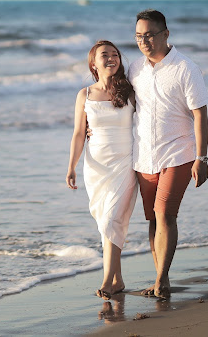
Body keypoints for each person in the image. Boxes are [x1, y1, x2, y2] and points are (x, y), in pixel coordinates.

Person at [129, 9, 208, 299]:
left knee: (165, 214)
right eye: (139, 36)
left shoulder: (186, 68)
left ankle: (162, 279)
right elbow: (124, 107)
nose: (144, 41)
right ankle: (158, 275)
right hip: (144, 156)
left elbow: (200, 115)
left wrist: (202, 158)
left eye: (149, 34)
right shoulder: (135, 69)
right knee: (153, 218)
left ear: (165, 33)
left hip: (179, 152)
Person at [66, 40, 138, 300]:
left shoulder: (130, 91)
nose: (111, 58)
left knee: (111, 220)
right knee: (107, 222)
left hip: (126, 163)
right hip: (96, 166)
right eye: (104, 55)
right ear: (93, 63)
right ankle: (118, 280)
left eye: (115, 54)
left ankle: (107, 281)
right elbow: (77, 134)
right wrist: (71, 166)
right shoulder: (84, 94)